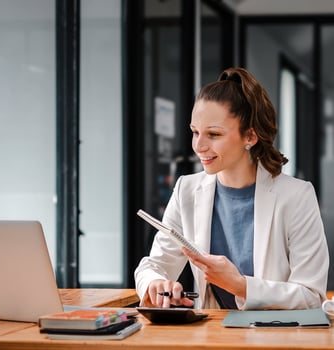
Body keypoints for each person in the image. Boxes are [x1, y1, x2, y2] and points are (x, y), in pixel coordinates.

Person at [134, 67, 329, 310]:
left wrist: (240, 286)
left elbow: (311, 296)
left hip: (275, 338)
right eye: (195, 132)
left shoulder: (297, 196)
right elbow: (153, 265)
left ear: (250, 136)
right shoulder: (187, 190)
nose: (199, 146)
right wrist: (155, 284)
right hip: (215, 338)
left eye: (213, 134)